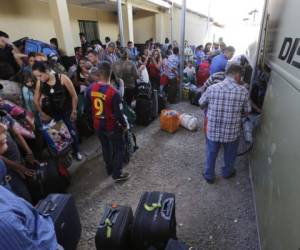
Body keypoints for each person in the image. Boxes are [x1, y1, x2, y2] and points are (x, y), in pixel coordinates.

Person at [199, 63, 251, 184]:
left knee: (211, 153)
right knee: (230, 154)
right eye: (241, 77)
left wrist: (211, 108)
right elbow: (247, 112)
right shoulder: (243, 91)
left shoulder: (212, 88)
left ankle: (209, 175)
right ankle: (227, 172)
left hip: (213, 130)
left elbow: (201, 103)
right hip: (231, 132)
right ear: (237, 76)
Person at [85, 61, 130, 182]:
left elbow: (87, 109)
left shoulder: (90, 89)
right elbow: (119, 114)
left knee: (105, 147)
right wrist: (125, 125)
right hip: (111, 127)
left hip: (98, 125)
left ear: (98, 73)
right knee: (119, 148)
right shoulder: (114, 92)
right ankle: (117, 173)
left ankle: (109, 169)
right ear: (111, 73)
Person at [32, 61, 82, 161]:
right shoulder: (40, 82)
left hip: (67, 111)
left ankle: (77, 151)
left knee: (72, 132)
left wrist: (74, 111)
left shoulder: (62, 78)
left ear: (46, 71)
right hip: (53, 114)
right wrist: (42, 113)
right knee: (59, 137)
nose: (38, 78)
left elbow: (74, 96)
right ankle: (67, 155)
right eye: (36, 76)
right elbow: (35, 101)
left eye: (40, 75)